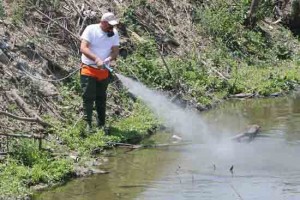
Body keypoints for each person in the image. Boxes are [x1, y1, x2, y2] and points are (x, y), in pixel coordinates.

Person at [80, 12, 120, 132]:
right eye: (109, 25)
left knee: (101, 98)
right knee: (88, 97)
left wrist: (108, 59)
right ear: (103, 22)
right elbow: (83, 48)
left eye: (113, 25)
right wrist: (96, 59)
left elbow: (115, 51)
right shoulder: (91, 29)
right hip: (89, 68)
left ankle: (101, 124)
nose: (112, 28)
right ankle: (88, 125)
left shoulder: (114, 33)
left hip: (103, 71)